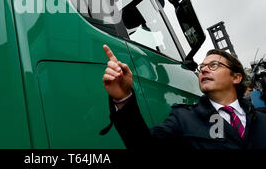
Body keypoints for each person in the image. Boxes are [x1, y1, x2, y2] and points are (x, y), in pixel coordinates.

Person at [101, 45, 266, 149]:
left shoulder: (262, 119)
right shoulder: (183, 118)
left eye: (213, 65)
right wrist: (123, 99)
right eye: (202, 67)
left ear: (236, 77)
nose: (204, 70)